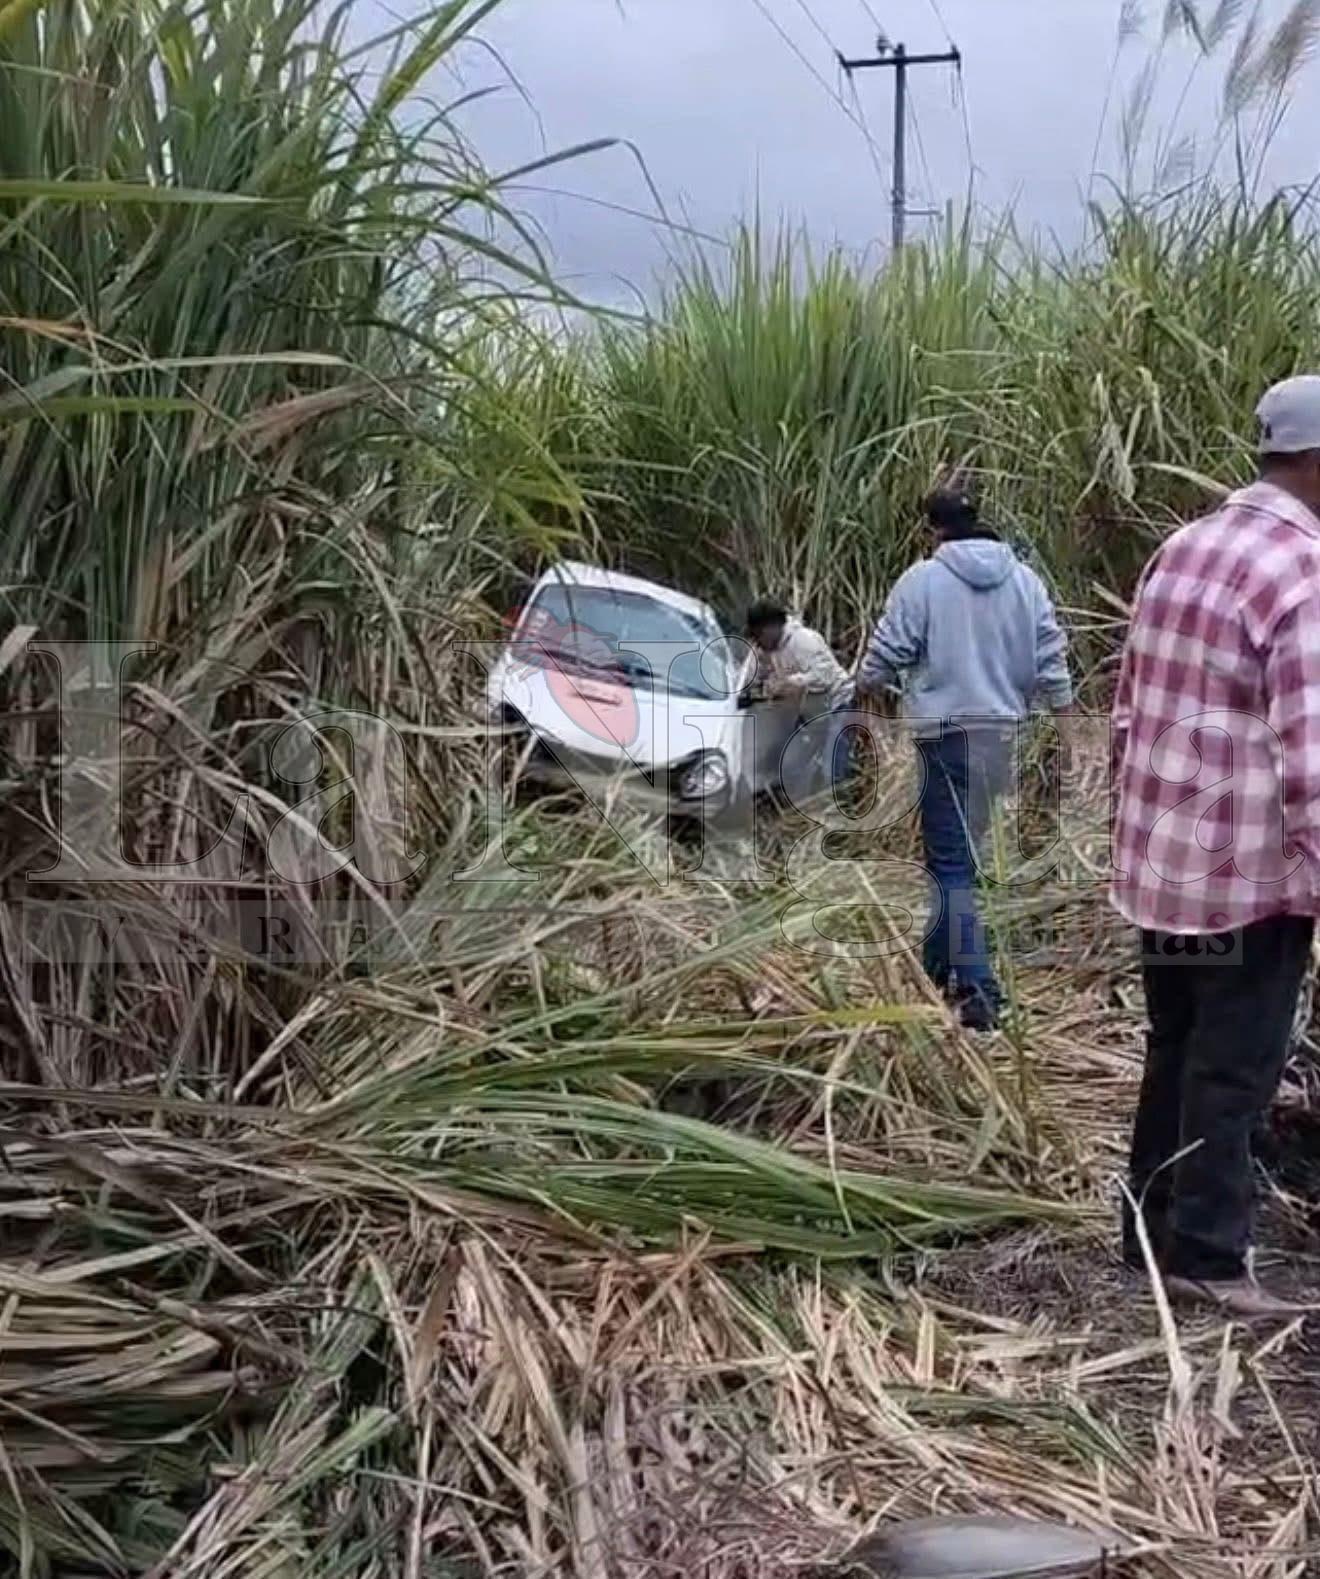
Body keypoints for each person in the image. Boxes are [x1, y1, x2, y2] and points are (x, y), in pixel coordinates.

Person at [1112, 374, 1320, 1318]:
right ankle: (1205, 1252)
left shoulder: (1184, 547)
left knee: (1177, 1048)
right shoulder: (1302, 573)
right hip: (1249, 873)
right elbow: (1312, 755)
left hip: (1164, 863)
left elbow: (1126, 710)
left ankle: (1146, 1233)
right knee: (1233, 1068)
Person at [855, 485, 1073, 1031]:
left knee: (952, 867)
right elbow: (1052, 657)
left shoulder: (924, 580)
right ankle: (934, 970)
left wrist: (860, 687)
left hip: (946, 735)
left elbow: (890, 650)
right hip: (1000, 735)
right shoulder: (1026, 581)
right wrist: (1067, 727)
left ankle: (981, 996)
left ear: (934, 529)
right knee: (957, 860)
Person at [744, 600, 853, 792]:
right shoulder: (765, 650)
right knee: (791, 764)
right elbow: (751, 676)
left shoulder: (803, 640)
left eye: (758, 635)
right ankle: (807, 809)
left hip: (838, 703)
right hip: (812, 712)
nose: (757, 642)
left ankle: (840, 814)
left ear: (772, 628)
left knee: (832, 769)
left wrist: (791, 683)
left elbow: (825, 676)